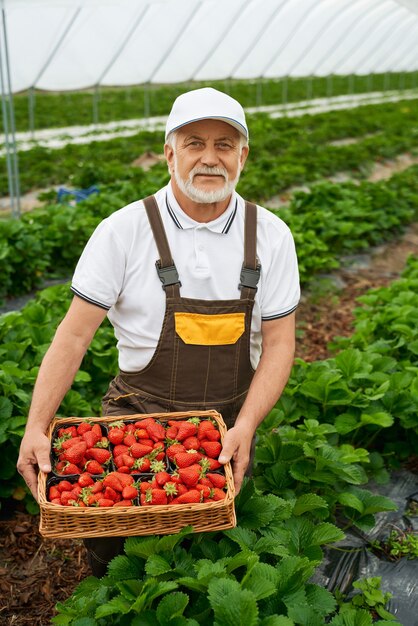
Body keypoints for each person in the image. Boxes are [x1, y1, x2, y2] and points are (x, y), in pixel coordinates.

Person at [17, 87, 300, 576]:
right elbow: (73, 337)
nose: (210, 158)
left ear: (243, 156)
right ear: (169, 153)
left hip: (225, 424)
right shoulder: (123, 231)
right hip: (136, 422)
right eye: (194, 143)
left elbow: (279, 344)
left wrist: (247, 427)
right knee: (119, 562)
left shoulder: (271, 235)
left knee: (217, 557)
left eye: (224, 145)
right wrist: (36, 426)